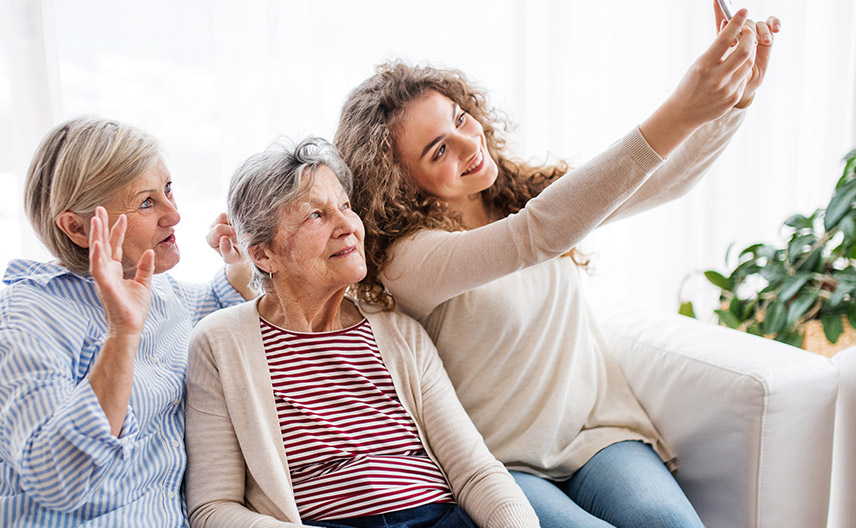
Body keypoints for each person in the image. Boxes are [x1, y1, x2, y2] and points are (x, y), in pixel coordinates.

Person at [333, 6, 780, 528]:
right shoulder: (412, 257)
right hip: (499, 463)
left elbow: (665, 180)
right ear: (400, 182)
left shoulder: (523, 192)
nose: (469, 144)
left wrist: (733, 100)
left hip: (598, 435)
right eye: (439, 151)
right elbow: (535, 236)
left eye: (460, 119)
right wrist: (682, 107)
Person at [183, 137, 539, 528]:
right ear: (264, 254)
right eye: (316, 215)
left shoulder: (400, 332)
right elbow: (212, 508)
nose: (348, 226)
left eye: (346, 207)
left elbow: (475, 472)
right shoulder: (220, 343)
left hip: (440, 518)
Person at [0, 116, 254, 526]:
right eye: (147, 202)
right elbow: (57, 480)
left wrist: (238, 268)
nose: (175, 215)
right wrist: (122, 335)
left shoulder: (162, 292)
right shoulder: (19, 322)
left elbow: (213, 309)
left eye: (168, 189)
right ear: (76, 228)